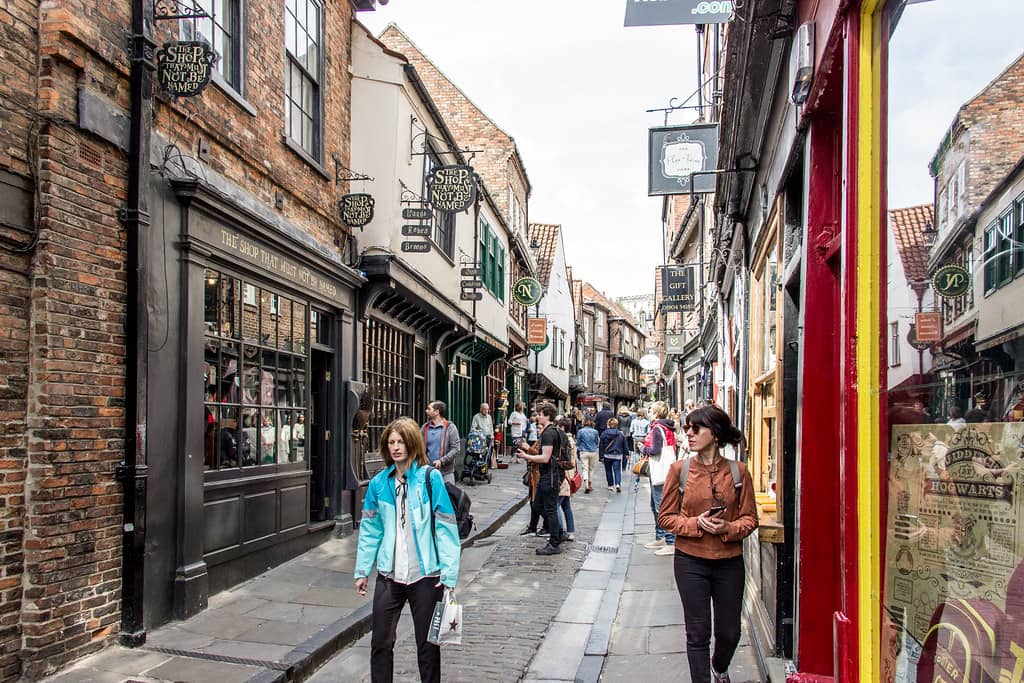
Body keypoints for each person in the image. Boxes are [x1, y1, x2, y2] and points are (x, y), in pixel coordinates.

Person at [354, 417, 461, 683]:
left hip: (426, 576)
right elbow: (370, 529)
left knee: (428, 646)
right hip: (390, 576)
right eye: (391, 442)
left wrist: (448, 574)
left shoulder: (430, 478)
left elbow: (446, 527)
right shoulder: (379, 483)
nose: (396, 447)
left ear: (412, 443)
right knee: (380, 642)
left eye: (401, 441)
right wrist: (362, 570)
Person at [658, 405, 758, 683]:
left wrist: (729, 527)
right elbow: (665, 517)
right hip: (690, 561)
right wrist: (695, 524)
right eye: (687, 428)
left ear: (714, 434)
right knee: (697, 632)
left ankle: (720, 666)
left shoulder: (738, 472)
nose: (688, 434)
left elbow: (750, 518)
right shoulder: (680, 470)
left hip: (729, 562)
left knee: (729, 632)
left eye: (695, 429)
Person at [517, 402, 564, 555]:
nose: (538, 416)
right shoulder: (551, 431)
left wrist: (526, 455)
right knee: (537, 505)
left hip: (549, 476)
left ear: (547, 415)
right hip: (548, 475)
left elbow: (545, 458)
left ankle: (554, 542)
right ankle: (557, 532)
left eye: (540, 414)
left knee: (549, 509)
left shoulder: (549, 433)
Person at [641, 401, 679, 556]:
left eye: (651, 410)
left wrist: (642, 448)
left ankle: (670, 540)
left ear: (656, 413)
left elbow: (655, 450)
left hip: (660, 471)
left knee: (661, 506)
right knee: (656, 504)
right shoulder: (667, 427)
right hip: (665, 470)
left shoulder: (657, 428)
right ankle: (661, 536)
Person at [422, 401, 460, 483]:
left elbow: (456, 449)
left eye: (429, 409)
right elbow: (418, 445)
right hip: (428, 472)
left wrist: (441, 461)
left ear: (436, 412)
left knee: (447, 495)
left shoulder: (450, 427)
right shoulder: (425, 428)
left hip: (446, 474)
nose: (426, 411)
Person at [556, 417, 578, 541]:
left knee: (556, 504)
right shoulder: (571, 440)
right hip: (570, 474)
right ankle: (570, 531)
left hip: (564, 475)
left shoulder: (564, 440)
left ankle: (560, 531)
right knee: (566, 505)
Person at [599, 417, 628, 492]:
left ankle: (610, 485)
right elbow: (624, 444)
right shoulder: (620, 434)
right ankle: (618, 484)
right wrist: (626, 453)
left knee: (608, 470)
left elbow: (601, 446)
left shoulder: (604, 433)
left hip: (607, 455)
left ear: (608, 424)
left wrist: (601, 456)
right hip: (617, 455)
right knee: (617, 470)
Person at [575, 418, 600, 494]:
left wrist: (578, 447)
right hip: (592, 451)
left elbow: (578, 441)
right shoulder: (595, 431)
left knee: (585, 468)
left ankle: (586, 485)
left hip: (583, 451)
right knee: (591, 469)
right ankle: (590, 484)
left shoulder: (580, 431)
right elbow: (597, 441)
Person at [630, 408, 651, 491]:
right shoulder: (646, 422)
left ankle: (637, 466)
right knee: (643, 452)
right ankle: (642, 465)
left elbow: (631, 430)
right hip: (643, 438)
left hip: (635, 438)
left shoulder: (633, 421)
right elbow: (648, 432)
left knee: (636, 453)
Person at [616, 405, 633, 472]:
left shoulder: (618, 416)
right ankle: (624, 466)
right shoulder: (629, 417)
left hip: (619, 433)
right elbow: (630, 425)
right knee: (626, 450)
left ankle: (618, 465)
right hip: (627, 434)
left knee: (619, 449)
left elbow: (617, 425)